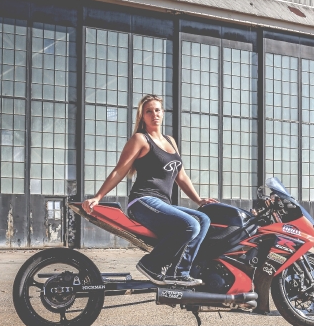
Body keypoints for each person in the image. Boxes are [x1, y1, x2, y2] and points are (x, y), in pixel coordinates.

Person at [82, 94, 217, 286]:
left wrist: (199, 200)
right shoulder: (140, 139)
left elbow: (181, 176)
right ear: (142, 116)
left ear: (162, 113)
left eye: (157, 110)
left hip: (162, 203)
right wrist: (98, 196)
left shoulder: (170, 141)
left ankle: (178, 272)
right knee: (191, 225)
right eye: (149, 111)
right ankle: (151, 264)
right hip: (143, 201)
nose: (154, 114)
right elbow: (120, 170)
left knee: (203, 219)